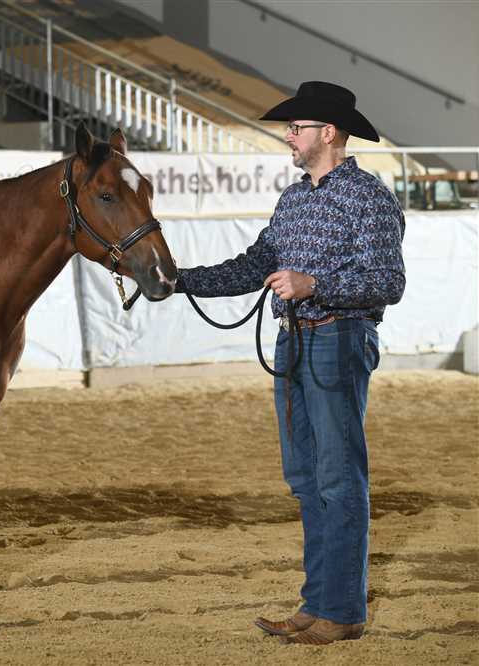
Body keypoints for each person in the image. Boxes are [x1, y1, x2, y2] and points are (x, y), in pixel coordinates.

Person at [174, 82, 405, 644]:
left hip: (338, 339)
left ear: (328, 133)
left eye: (296, 128)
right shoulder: (294, 199)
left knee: (338, 479)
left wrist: (313, 284)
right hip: (294, 342)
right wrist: (177, 281)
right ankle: (317, 603)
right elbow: (253, 264)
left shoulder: (368, 197)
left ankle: (342, 613)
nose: (288, 136)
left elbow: (388, 283)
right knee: (305, 478)